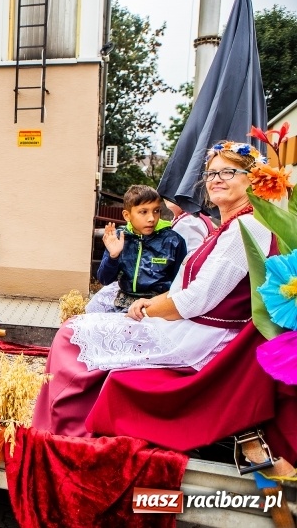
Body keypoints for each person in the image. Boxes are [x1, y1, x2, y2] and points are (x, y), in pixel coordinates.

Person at [33, 141, 274, 437]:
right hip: (188, 323)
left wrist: (147, 308)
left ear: (253, 178)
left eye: (228, 172)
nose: (216, 180)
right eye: (211, 174)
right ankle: (70, 422)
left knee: (71, 334)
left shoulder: (243, 229)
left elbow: (196, 299)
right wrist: (115, 258)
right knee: (81, 327)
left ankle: (64, 429)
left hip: (199, 336)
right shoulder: (230, 227)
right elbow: (119, 279)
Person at [86, 185, 187, 314]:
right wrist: (114, 256)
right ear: (127, 215)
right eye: (143, 212)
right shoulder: (119, 238)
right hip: (123, 304)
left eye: (156, 211)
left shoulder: (173, 241)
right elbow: (104, 279)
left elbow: (181, 283)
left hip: (158, 306)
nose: (151, 218)